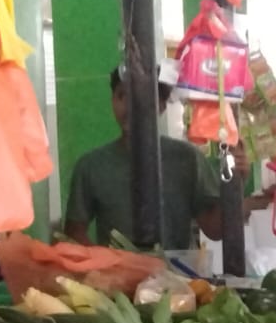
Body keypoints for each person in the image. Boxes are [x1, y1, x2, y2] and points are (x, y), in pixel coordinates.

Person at [63, 66, 248, 249]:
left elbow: (215, 230)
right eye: (121, 96)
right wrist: (106, 265)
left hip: (179, 277)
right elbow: (74, 234)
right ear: (112, 101)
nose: (130, 106)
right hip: (119, 277)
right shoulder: (91, 167)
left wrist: (236, 185)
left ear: (161, 106)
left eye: (141, 97)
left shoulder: (188, 159)